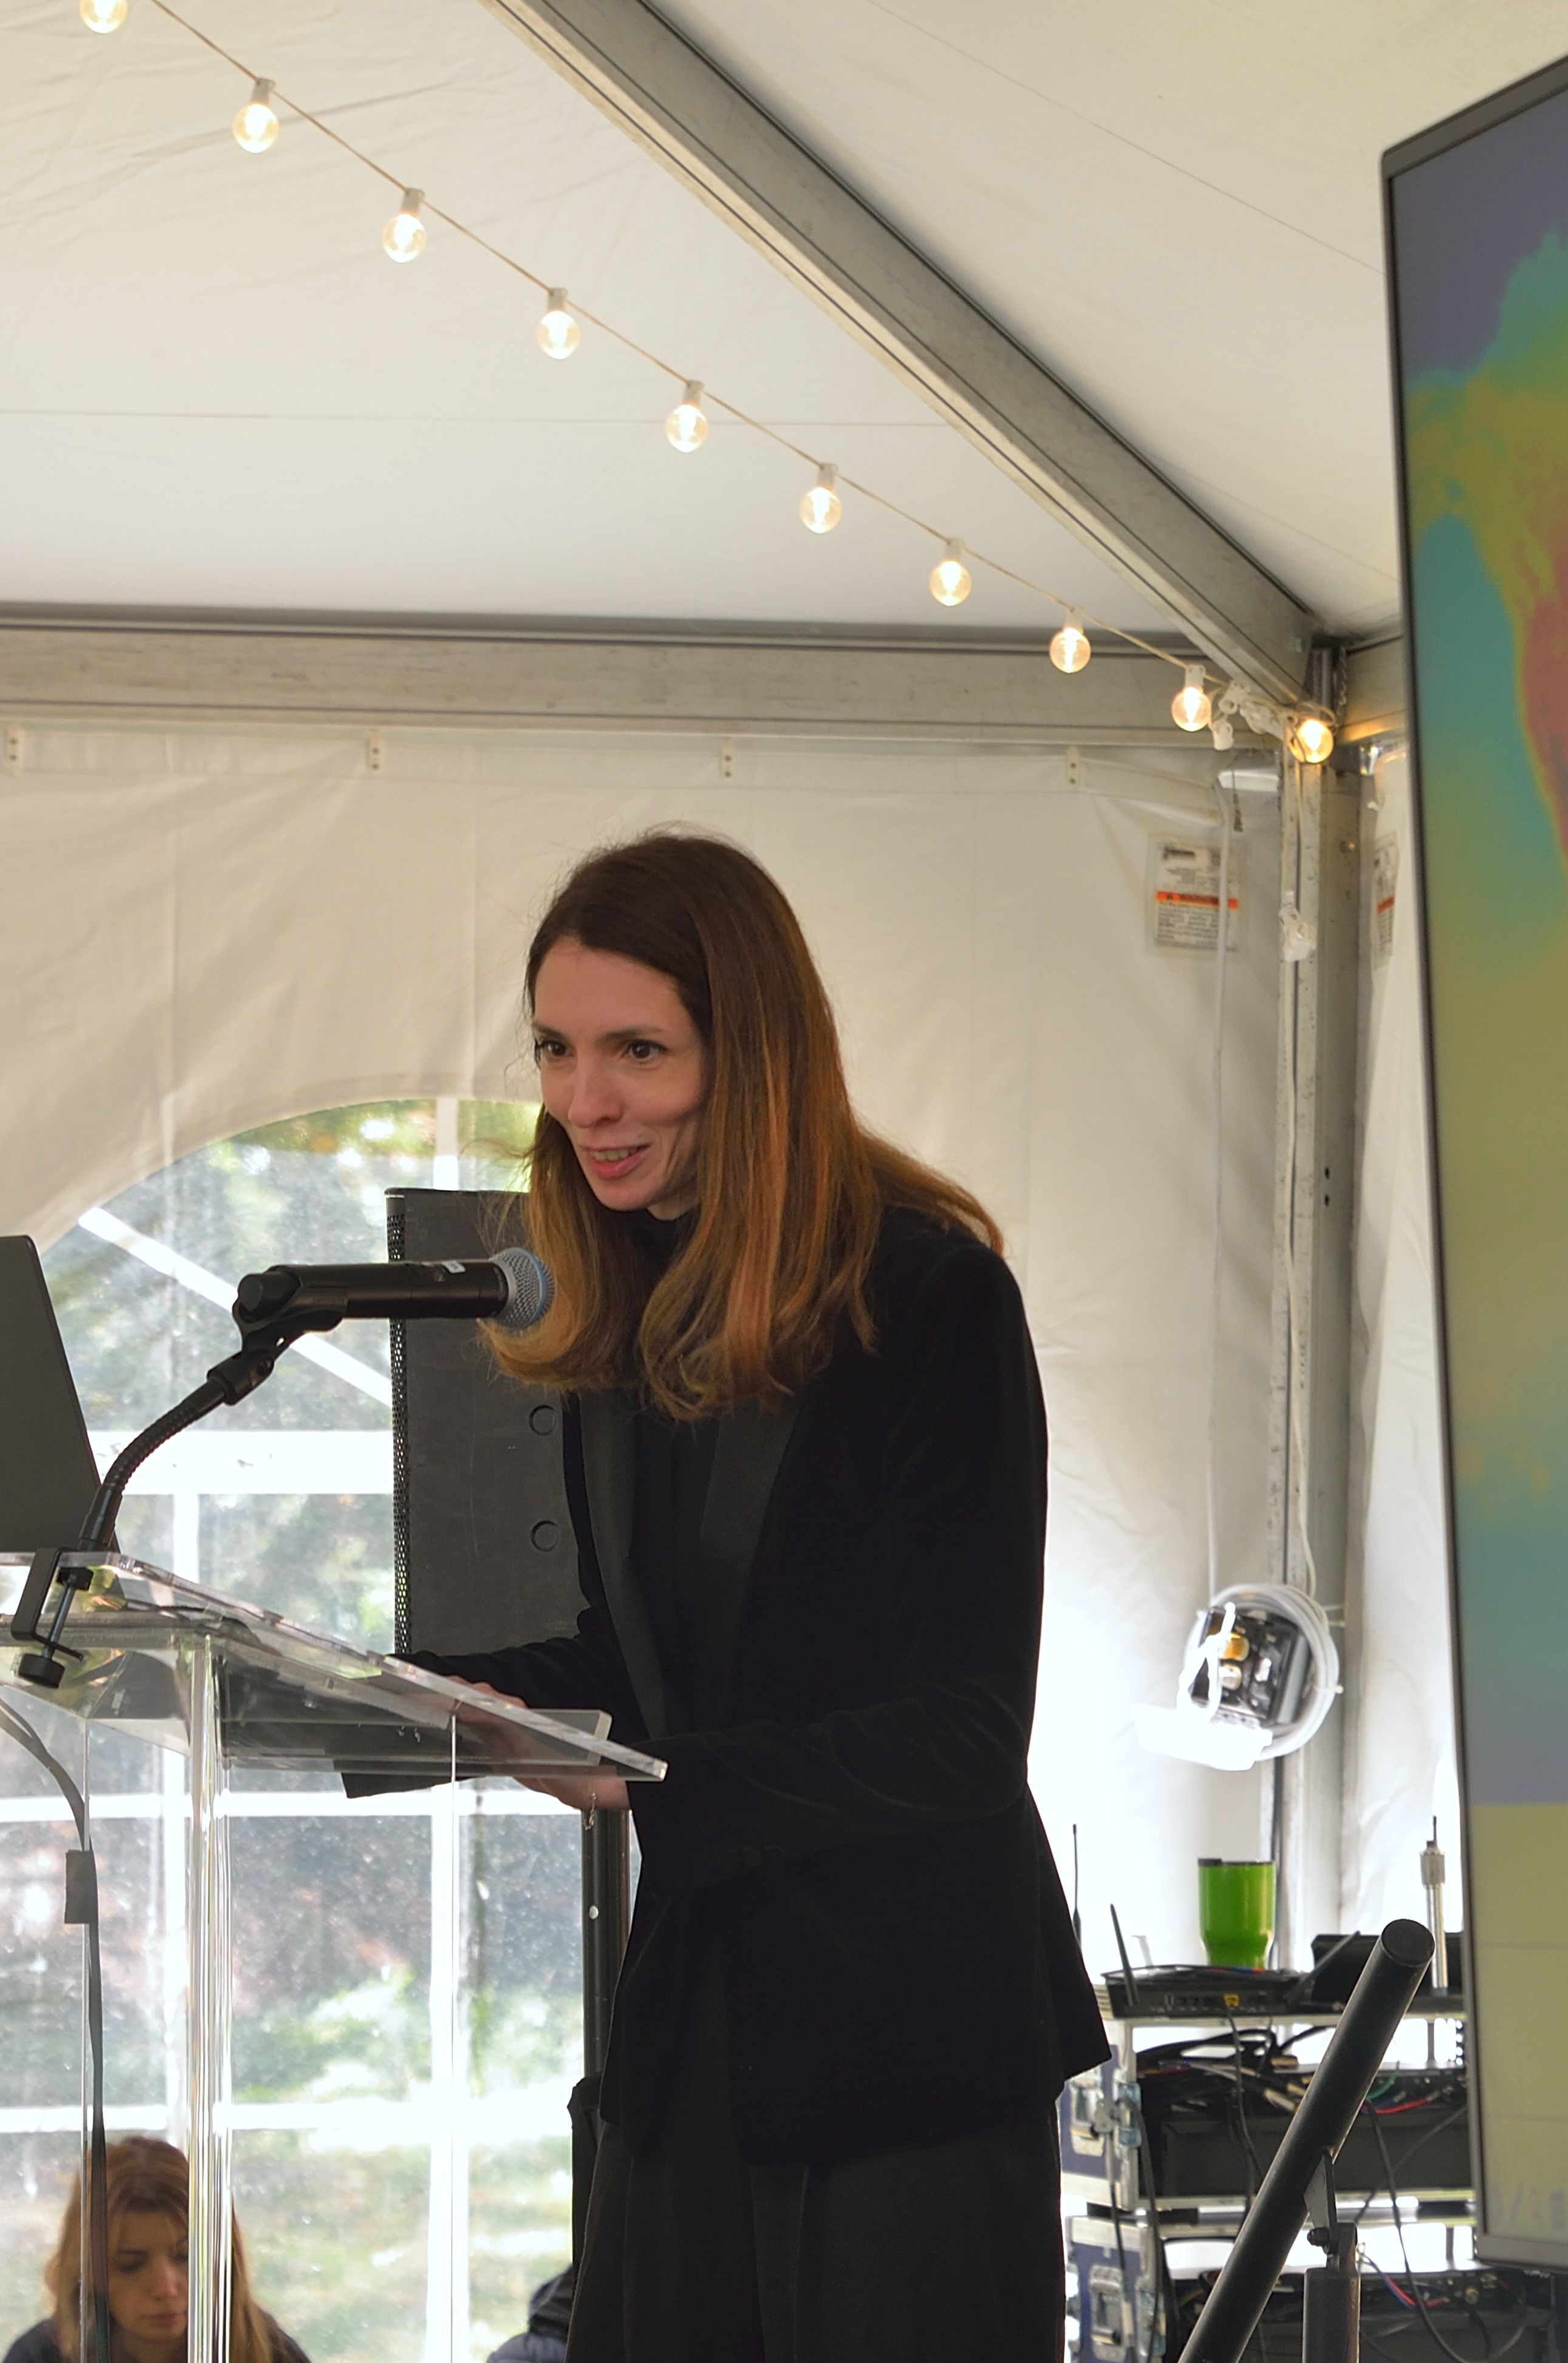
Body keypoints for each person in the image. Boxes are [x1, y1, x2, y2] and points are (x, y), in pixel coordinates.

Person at [419, 830, 1110, 2362]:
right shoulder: (624, 1303)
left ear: (756, 1054)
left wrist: (650, 1776)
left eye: (637, 1053)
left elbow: (963, 1734)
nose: (584, 1102)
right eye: (556, 1049)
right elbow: (660, 1662)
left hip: (908, 2047)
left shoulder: (929, 1299)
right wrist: (425, 1693)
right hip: (701, 2028)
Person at [0, 2135, 309, 2363]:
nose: (166, 2287)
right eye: (131, 2265)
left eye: (186, 2257)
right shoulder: (42, 2355)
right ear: (86, 2272)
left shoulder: (269, 2353)